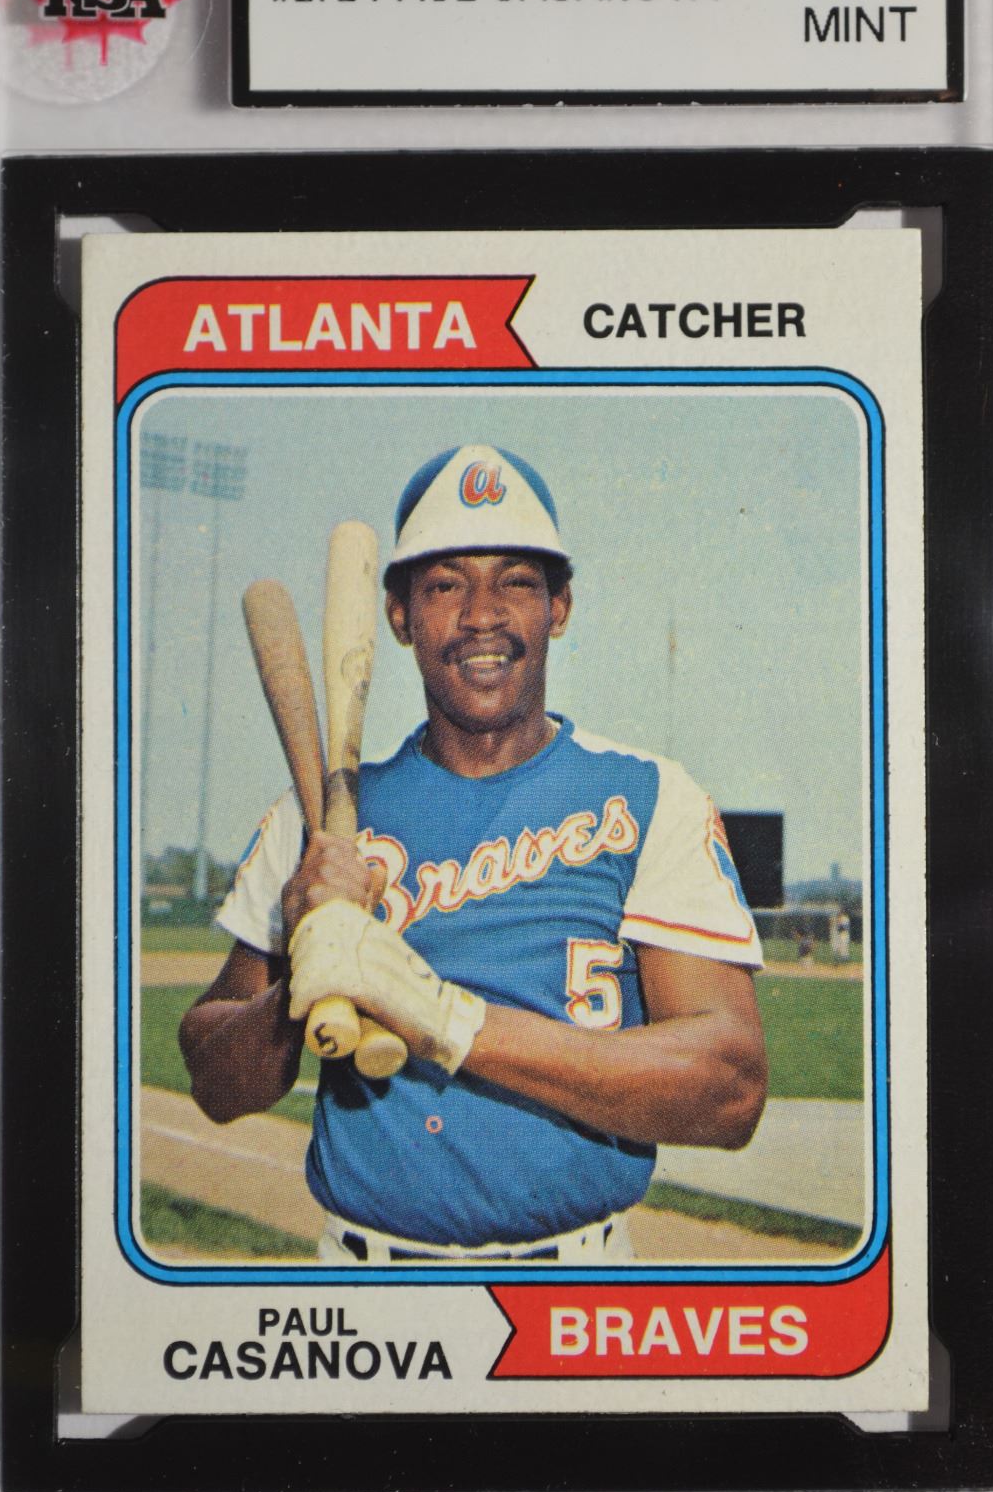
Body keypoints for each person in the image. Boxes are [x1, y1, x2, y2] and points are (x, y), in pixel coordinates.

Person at [180, 445, 768, 1263]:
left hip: (578, 1286)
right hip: (368, 1288)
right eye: (446, 585)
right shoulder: (316, 827)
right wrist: (304, 975)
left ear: (559, 607)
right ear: (399, 616)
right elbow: (215, 1083)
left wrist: (444, 1018)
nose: (482, 615)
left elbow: (730, 1090)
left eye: (517, 582)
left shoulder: (648, 797)